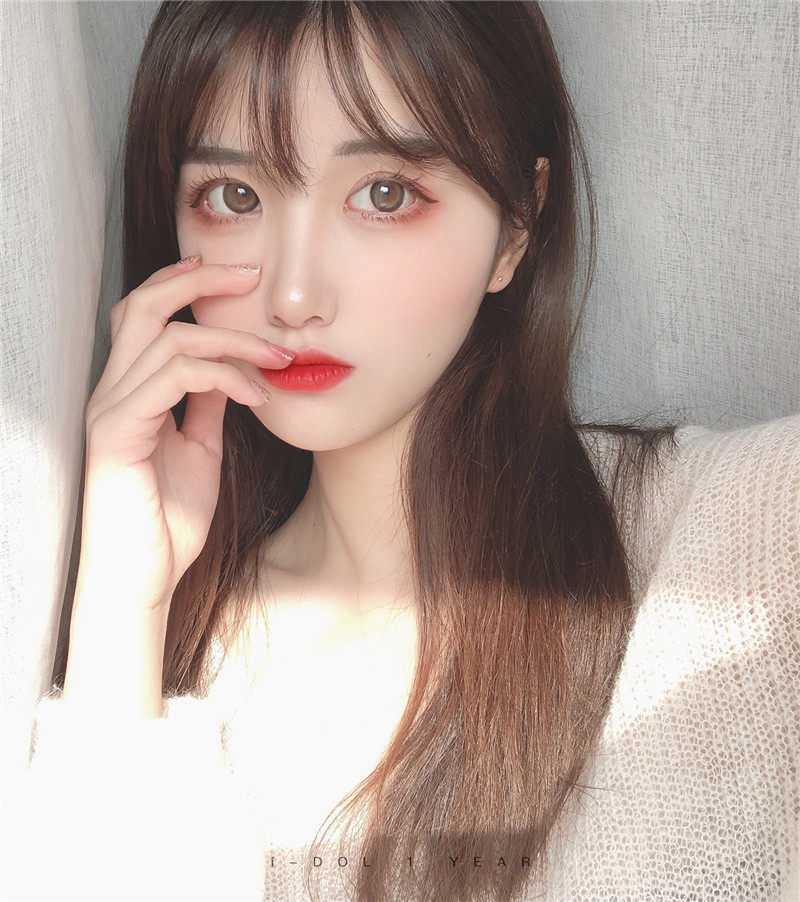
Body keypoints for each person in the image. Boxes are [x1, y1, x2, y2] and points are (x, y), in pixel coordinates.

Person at [3, 2, 798, 901]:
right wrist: (123, 608)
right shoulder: (168, 655)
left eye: (384, 195)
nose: (295, 296)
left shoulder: (739, 539)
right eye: (235, 197)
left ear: (517, 224)